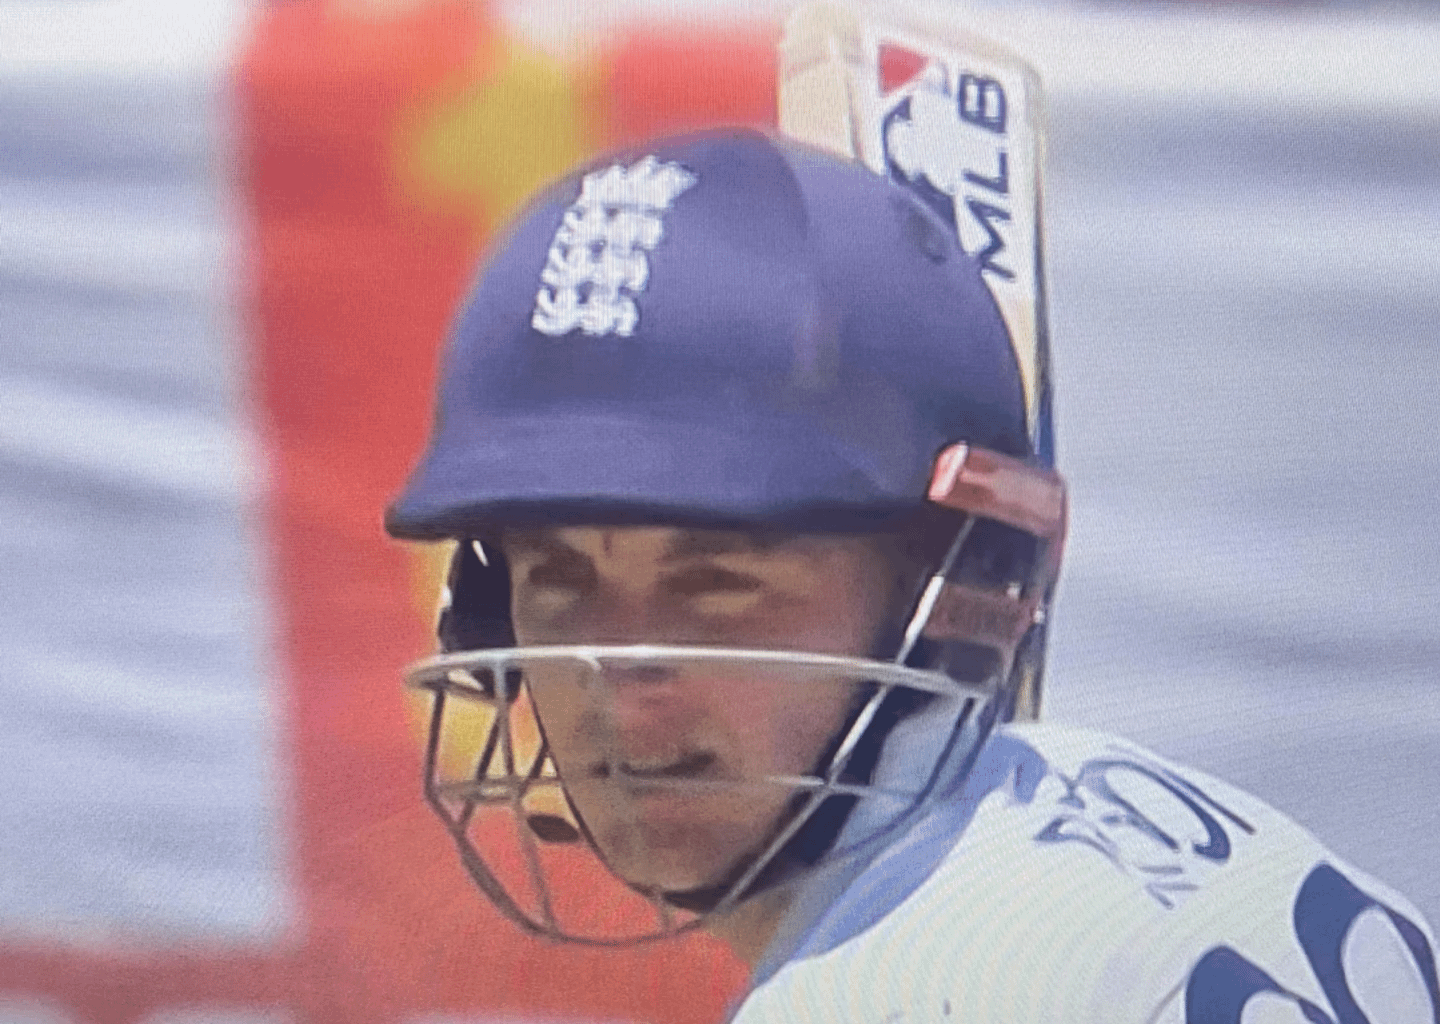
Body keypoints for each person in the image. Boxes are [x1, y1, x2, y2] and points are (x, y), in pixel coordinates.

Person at [386, 130, 1438, 1022]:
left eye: (717, 580)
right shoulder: (1178, 820)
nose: (620, 668)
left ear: (957, 578)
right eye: (558, 575)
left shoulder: (881, 992)